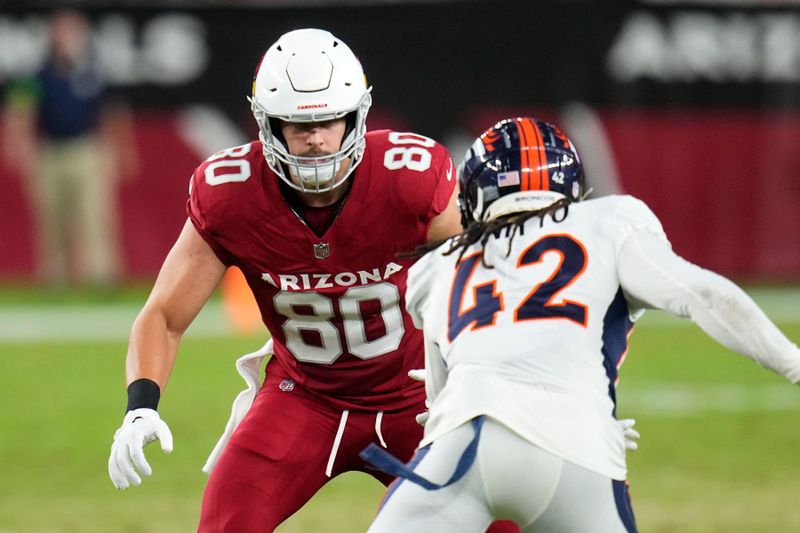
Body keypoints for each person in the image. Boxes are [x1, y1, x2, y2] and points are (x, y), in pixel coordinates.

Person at [106, 28, 525, 533]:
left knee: (503, 518)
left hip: (418, 399)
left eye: (330, 119)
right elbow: (165, 316)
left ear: (357, 115)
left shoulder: (410, 179)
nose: (317, 138)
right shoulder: (230, 195)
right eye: (297, 124)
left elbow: (490, 278)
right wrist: (140, 408)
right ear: (267, 124)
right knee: (226, 522)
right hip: (304, 398)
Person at [363, 117, 800, 533]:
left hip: (459, 450)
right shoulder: (610, 220)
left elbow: (438, 404)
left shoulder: (438, 266)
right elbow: (704, 295)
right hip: (574, 447)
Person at [2, 9, 138, 286]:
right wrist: (17, 143)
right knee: (52, 218)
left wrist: (122, 149)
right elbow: (20, 111)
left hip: (86, 150)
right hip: (50, 152)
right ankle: (56, 277)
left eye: (73, 33)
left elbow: (113, 113)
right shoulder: (38, 73)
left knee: (95, 215)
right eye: (62, 32)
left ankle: (103, 276)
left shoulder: (93, 72)